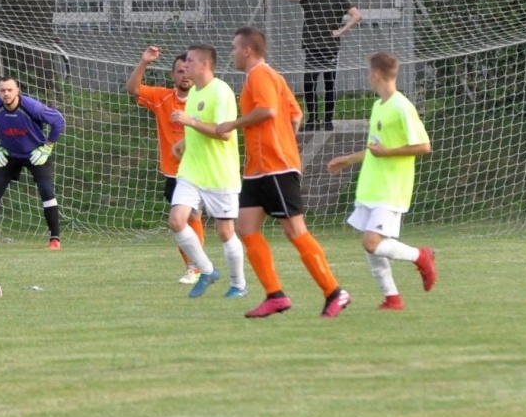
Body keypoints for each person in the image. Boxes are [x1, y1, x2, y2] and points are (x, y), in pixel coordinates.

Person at [223, 26, 351, 318]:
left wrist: (233, 125)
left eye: (233, 48)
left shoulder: (261, 75)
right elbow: (296, 114)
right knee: (246, 228)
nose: (231, 53)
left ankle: (334, 291)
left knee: (295, 231)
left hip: (274, 167)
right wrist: (284, 141)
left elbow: (267, 110)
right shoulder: (271, 76)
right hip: (258, 168)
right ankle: (275, 295)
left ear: (247, 50)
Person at [326, 52, 438, 310]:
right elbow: (375, 148)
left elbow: (424, 146)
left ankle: (421, 256)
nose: (367, 77)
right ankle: (392, 298)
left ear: (376, 74)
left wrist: (387, 153)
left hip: (391, 188)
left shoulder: (401, 106)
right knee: (371, 246)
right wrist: (349, 159)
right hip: (371, 186)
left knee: (372, 242)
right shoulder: (378, 106)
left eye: (368, 72)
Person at [166, 44, 248, 298]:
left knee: (225, 232)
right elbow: (198, 130)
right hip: (192, 171)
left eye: (190, 61)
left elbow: (224, 133)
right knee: (176, 220)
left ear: (204, 65)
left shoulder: (221, 92)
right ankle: (207, 270)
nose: (185, 66)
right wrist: (184, 143)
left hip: (219, 173)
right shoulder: (195, 93)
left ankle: (238, 284)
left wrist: (190, 122)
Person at [126, 45, 209, 282]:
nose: (184, 75)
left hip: (200, 171)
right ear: (173, 75)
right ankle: (197, 267)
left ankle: (198, 267)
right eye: (179, 71)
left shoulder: (204, 100)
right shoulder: (163, 98)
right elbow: (132, 89)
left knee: (193, 220)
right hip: (173, 173)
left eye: (187, 70)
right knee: (184, 221)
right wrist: (144, 62)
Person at [0, 78, 66, 250]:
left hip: (36, 153)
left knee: (47, 190)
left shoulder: (33, 107)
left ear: (17, 91)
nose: (6, 94)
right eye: (2, 90)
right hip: (9, 154)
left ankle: (55, 240)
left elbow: (58, 122)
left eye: (10, 90)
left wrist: (47, 147)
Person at [282, 0, 361, 132]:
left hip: (329, 48)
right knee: (309, 83)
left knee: (329, 84)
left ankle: (327, 120)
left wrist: (340, 31)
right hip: (311, 47)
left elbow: (356, 15)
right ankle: (312, 120)